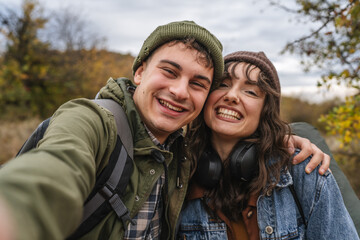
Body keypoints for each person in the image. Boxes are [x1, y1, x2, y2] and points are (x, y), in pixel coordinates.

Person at [0, 21, 329, 240]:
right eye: (169, 72)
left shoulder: (182, 158)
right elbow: (52, 173)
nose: (181, 91)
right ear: (140, 72)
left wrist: (285, 139)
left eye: (198, 83)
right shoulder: (92, 121)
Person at [178, 51, 359, 239]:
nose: (231, 96)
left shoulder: (304, 171)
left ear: (265, 111)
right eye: (223, 84)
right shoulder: (178, 173)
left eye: (250, 92)